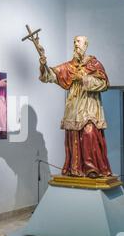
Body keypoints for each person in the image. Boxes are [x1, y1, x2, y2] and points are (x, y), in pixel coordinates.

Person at [39, 35, 111, 178]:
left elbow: (104, 84)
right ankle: (76, 168)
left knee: (89, 134)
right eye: (74, 42)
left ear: (86, 44)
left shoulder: (94, 64)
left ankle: (93, 168)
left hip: (90, 107)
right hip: (74, 108)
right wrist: (43, 64)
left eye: (78, 42)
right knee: (74, 137)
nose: (76, 44)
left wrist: (84, 78)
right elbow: (50, 76)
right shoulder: (69, 66)